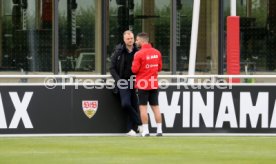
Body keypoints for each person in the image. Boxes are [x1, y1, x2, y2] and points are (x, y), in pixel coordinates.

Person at [110, 30, 142, 136]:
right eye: (128, 38)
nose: (130, 40)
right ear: (124, 39)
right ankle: (139, 123)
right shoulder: (118, 51)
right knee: (126, 104)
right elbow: (112, 68)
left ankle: (131, 130)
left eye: (132, 38)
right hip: (123, 81)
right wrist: (118, 81)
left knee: (134, 105)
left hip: (135, 81)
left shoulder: (138, 51)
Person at [131, 32, 163, 137]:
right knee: (156, 107)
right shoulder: (157, 52)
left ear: (141, 41)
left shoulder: (138, 54)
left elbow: (134, 70)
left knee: (143, 108)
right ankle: (159, 130)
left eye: (137, 40)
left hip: (142, 84)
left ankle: (146, 131)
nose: (136, 42)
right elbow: (159, 68)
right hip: (153, 83)